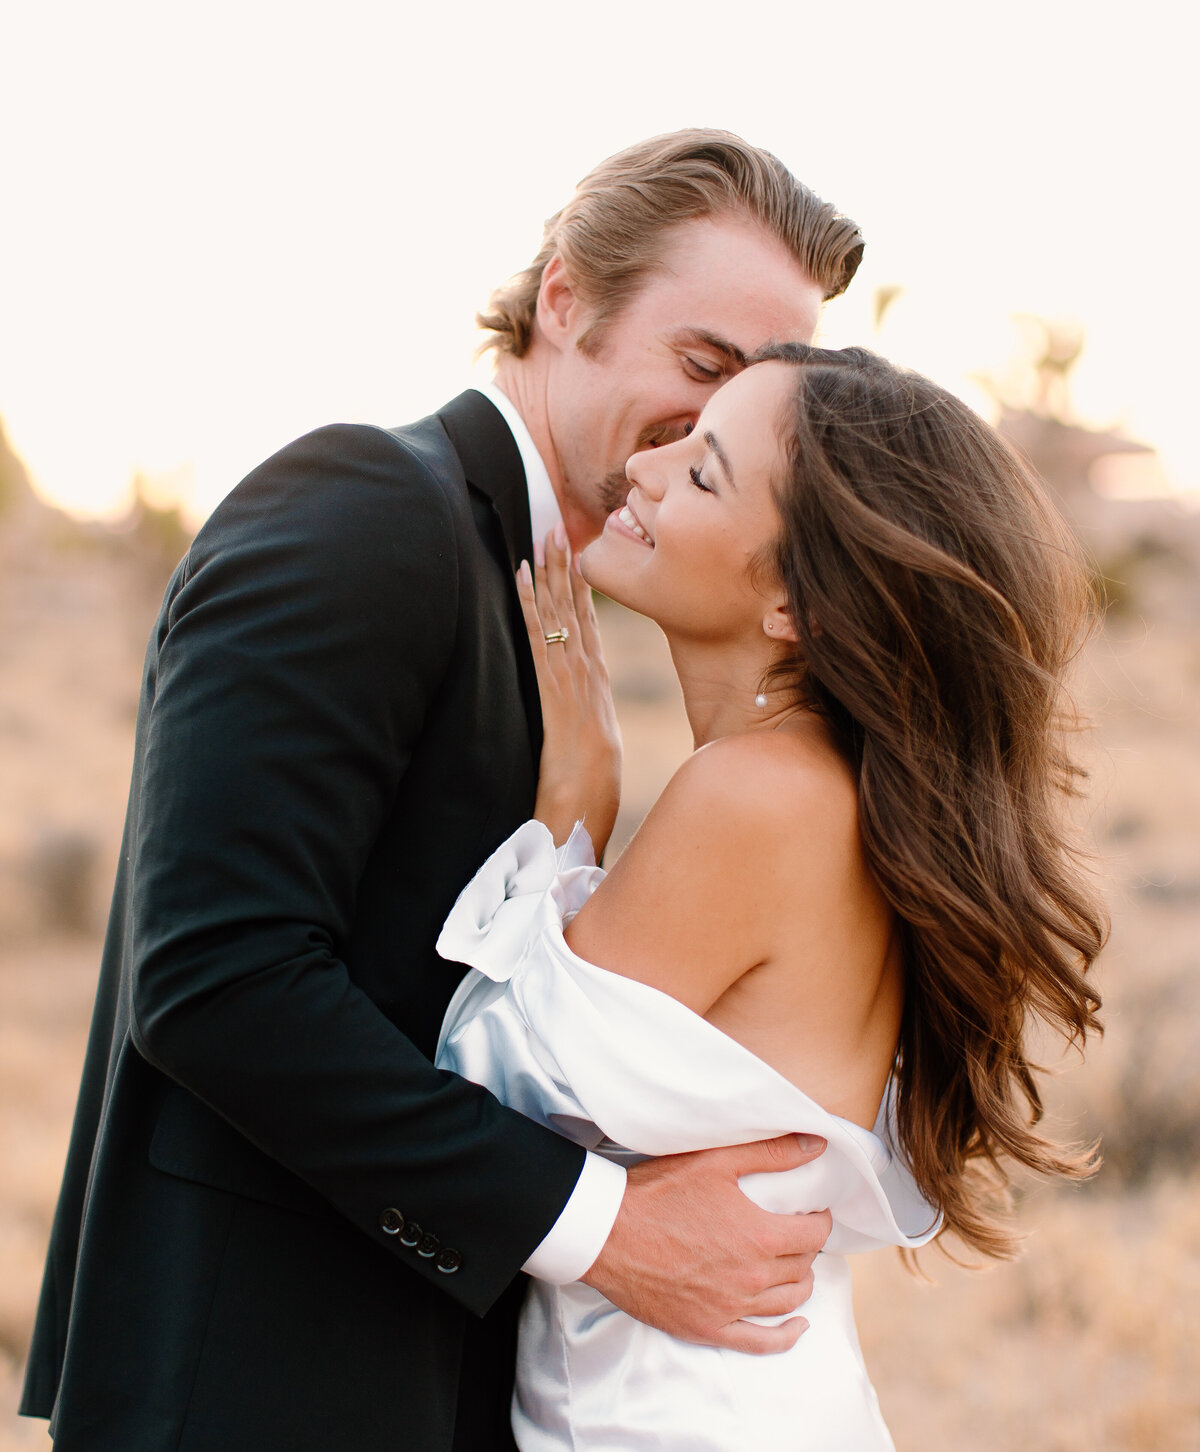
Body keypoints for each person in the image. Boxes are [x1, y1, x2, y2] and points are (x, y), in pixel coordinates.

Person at [20, 133, 866, 1451]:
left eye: (751, 395)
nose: (711, 422)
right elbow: (215, 978)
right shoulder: (363, 509)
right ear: (566, 298)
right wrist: (607, 1230)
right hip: (260, 1391)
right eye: (702, 366)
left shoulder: (546, 602)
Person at [435, 347, 1107, 1449]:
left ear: (796, 602)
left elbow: (480, 1083)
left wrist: (571, 814)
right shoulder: (830, 796)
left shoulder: (756, 795)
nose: (648, 472)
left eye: (702, 474)